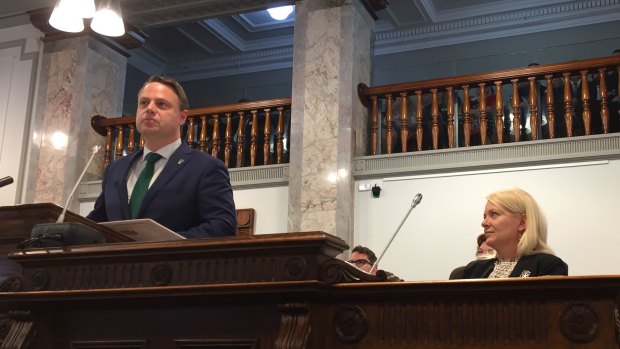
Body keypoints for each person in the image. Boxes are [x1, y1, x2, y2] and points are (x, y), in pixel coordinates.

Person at [87, 76, 237, 238]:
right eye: (144, 103)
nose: (149, 109)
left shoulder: (205, 167)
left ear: (182, 117)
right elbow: (97, 222)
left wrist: (163, 245)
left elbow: (222, 225)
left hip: (172, 262)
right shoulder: (115, 169)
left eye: (161, 104)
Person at [462, 188, 568, 278]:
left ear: (522, 222)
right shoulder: (473, 270)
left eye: (494, 214)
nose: (484, 223)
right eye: (484, 217)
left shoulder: (547, 266)